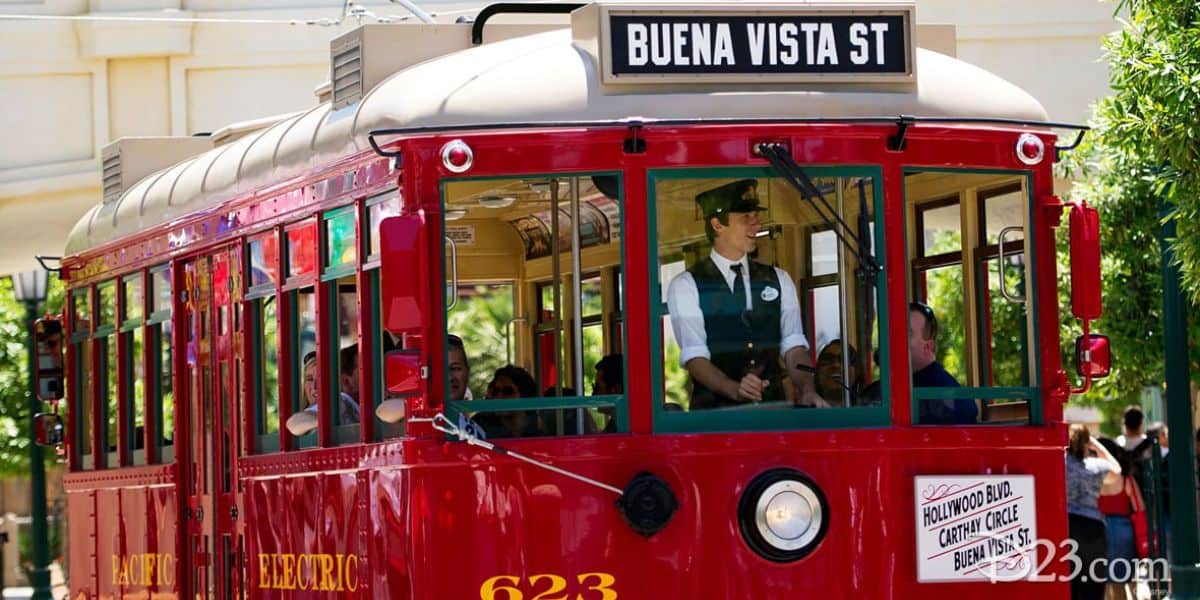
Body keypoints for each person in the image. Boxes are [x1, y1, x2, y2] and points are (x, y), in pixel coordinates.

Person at [665, 179, 823, 410]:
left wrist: (807, 390)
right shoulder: (686, 285)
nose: (755, 226)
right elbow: (695, 358)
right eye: (745, 218)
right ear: (718, 224)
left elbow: (794, 346)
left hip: (773, 411)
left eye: (756, 218)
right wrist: (735, 390)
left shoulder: (779, 279)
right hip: (716, 418)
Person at [1065, 424, 1123, 600]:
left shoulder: (1061, 463)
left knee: (1070, 581)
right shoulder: (1096, 466)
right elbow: (1117, 471)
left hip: (1066, 525)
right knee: (1094, 582)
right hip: (1093, 528)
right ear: (1086, 444)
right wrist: (1097, 445)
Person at [910, 301, 976, 424]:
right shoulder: (886, 387)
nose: (895, 340)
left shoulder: (947, 393)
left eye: (908, 333)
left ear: (928, 346)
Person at [1097, 437, 1146, 599]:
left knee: (1106, 579)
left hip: (1099, 529)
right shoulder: (1126, 479)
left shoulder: (1093, 478)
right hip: (1124, 531)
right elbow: (1139, 507)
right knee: (1128, 577)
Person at [286, 350, 360, 436]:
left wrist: (322, 420)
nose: (314, 386)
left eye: (321, 378)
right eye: (309, 379)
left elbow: (293, 423)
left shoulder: (340, 400)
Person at [475, 365, 540, 439]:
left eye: (507, 391)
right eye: (495, 391)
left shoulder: (539, 431)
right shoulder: (480, 426)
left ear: (524, 395)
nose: (499, 396)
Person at [814, 340, 861, 407]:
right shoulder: (805, 413)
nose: (836, 365)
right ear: (818, 373)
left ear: (857, 372)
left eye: (844, 360)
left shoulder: (869, 411)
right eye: (828, 359)